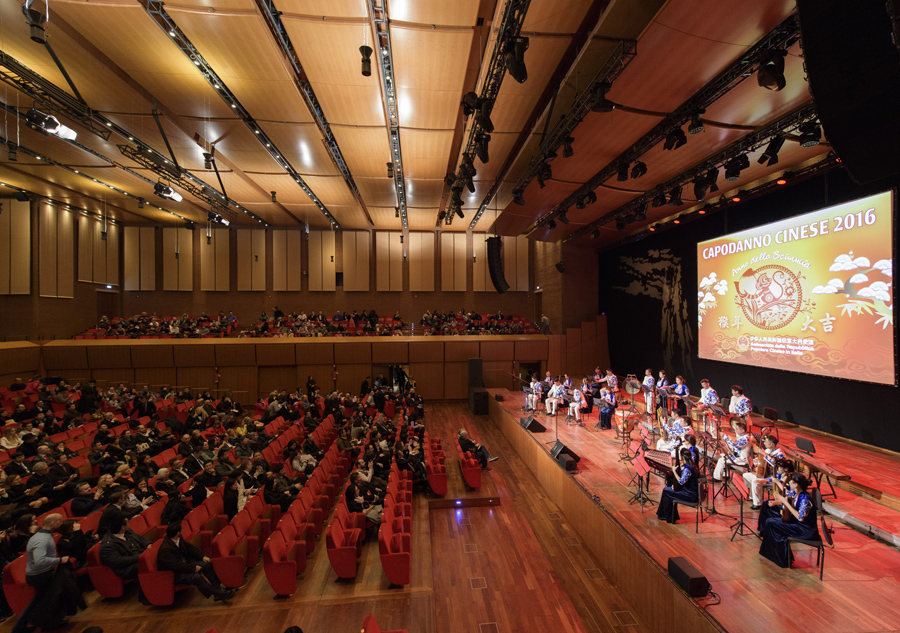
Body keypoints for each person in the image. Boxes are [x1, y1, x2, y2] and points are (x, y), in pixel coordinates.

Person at [11, 514, 70, 633]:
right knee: (40, 601)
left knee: (47, 599)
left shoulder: (42, 535)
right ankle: (20, 627)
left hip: (40, 573)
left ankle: (49, 622)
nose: (61, 524)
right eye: (59, 522)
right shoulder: (42, 539)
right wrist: (59, 560)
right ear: (53, 523)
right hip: (39, 575)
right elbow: (40, 561)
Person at [157, 522, 235, 601]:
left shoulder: (178, 538)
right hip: (173, 574)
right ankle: (218, 594)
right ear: (177, 533)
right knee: (196, 577)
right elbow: (177, 566)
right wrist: (193, 568)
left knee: (207, 565)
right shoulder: (165, 549)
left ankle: (219, 588)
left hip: (184, 565)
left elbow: (190, 548)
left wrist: (202, 556)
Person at [759, 474, 820, 568]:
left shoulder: (805, 499)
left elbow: (800, 518)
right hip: (798, 525)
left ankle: (782, 559)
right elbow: (789, 500)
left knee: (772, 524)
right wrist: (776, 502)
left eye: (790, 481)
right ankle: (774, 555)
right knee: (770, 521)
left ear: (796, 485)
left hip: (805, 530)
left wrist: (785, 502)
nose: (788, 483)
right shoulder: (797, 493)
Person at [99, 514, 152, 582]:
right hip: (126, 568)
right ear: (123, 527)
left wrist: (148, 544)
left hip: (138, 556)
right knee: (149, 563)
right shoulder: (107, 546)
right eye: (127, 522)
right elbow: (119, 561)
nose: (129, 522)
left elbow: (140, 538)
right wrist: (140, 556)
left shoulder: (127, 531)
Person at [743, 436, 788, 510]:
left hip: (775, 478)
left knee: (755, 481)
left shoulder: (780, 454)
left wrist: (763, 454)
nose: (764, 443)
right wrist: (756, 462)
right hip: (765, 474)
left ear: (772, 444)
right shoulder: (768, 451)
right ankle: (752, 497)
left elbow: (775, 465)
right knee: (746, 475)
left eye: (766, 442)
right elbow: (761, 461)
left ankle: (758, 504)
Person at [656, 448, 699, 524]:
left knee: (666, 491)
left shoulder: (687, 469)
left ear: (682, 456)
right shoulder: (691, 465)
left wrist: (674, 471)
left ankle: (666, 516)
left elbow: (681, 482)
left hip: (690, 495)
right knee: (667, 490)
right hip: (689, 491)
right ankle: (669, 516)